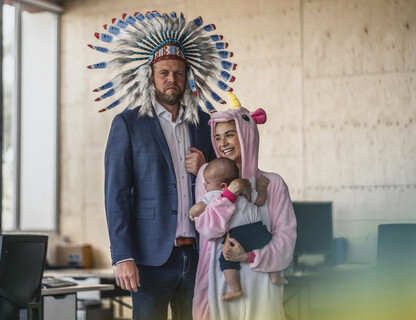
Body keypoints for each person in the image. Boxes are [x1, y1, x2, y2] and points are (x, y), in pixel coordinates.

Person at [92, 11, 236, 320]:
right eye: (164, 73)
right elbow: (116, 194)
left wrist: (206, 165)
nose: (172, 79)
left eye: (179, 73)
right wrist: (122, 256)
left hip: (198, 255)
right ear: (151, 77)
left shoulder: (202, 124)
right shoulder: (128, 124)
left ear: (188, 77)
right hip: (149, 259)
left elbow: (220, 182)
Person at [192, 92, 297, 320]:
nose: (223, 144)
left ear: (246, 135)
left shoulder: (273, 184)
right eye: (218, 138)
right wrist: (230, 193)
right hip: (218, 288)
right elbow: (209, 230)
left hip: (262, 289)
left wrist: (250, 256)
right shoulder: (207, 177)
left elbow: (285, 239)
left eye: (230, 135)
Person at [189, 157, 287, 302]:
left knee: (226, 260)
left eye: (207, 182)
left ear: (223, 186)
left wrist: (192, 213)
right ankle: (275, 275)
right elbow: (260, 201)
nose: (204, 184)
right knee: (268, 246)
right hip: (259, 229)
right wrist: (261, 189)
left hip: (239, 234)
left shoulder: (215, 195)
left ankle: (235, 289)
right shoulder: (244, 190)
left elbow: (198, 208)